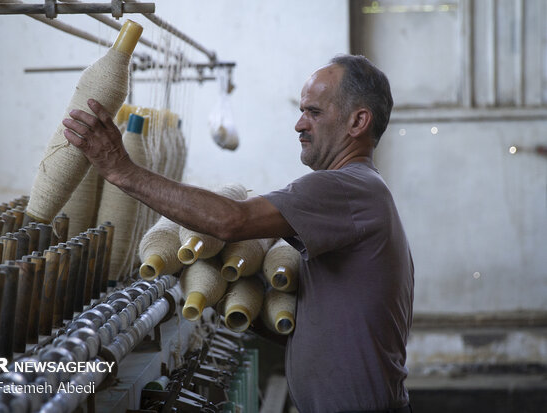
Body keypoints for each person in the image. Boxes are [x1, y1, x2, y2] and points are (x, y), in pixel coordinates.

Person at [62, 54, 414, 413]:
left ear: (358, 121)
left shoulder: (346, 188)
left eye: (314, 112)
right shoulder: (360, 190)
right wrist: (226, 298)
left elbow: (232, 220)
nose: (298, 124)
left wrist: (121, 170)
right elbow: (319, 327)